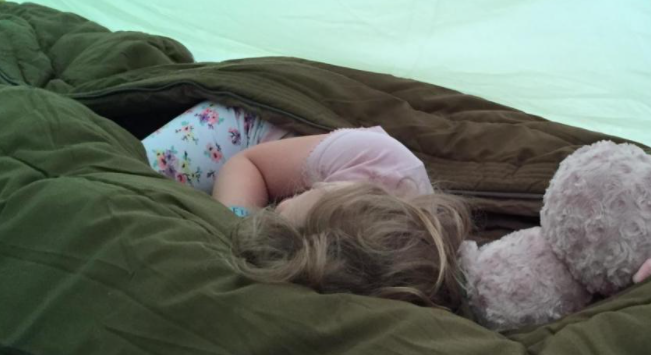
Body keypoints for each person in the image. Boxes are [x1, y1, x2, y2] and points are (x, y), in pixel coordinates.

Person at [142, 101, 472, 310]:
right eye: (294, 199)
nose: (283, 202)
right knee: (144, 168)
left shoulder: (402, 261)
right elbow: (248, 164)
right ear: (332, 187)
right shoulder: (374, 156)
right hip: (249, 135)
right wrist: (236, 222)